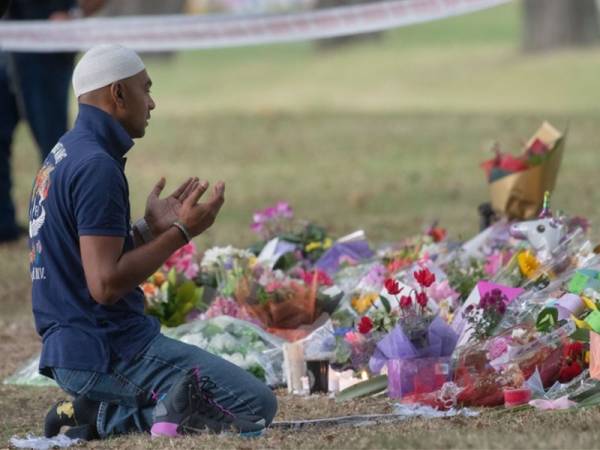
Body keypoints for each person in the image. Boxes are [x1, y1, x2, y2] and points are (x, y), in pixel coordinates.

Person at [30, 44, 277, 440]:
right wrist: (181, 234)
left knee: (215, 401)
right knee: (255, 406)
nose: (153, 102)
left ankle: (91, 410)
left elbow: (85, 258)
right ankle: (107, 418)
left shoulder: (66, 152)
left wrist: (148, 229)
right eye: (145, 89)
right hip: (105, 350)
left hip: (74, 348)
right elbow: (105, 284)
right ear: (118, 93)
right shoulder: (96, 167)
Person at [0, 0, 104, 243]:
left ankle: (58, 227)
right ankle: (3, 225)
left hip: (46, 47)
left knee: (53, 146)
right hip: (7, 41)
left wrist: (74, 13)